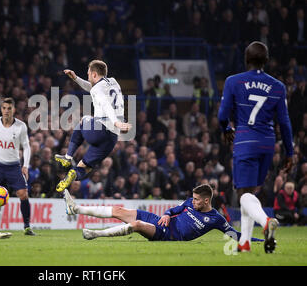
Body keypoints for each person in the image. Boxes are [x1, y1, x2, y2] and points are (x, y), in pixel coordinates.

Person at [218, 41, 294, 253]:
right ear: (266, 60)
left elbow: (222, 115)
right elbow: (285, 123)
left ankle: (266, 221)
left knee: (243, 193)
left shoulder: (234, 81)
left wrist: (226, 128)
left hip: (245, 140)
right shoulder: (278, 86)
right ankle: (245, 243)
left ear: (246, 59)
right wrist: (290, 152)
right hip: (267, 144)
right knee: (250, 192)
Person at [63, 184, 263, 243]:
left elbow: (236, 236)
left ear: (206, 201)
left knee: (136, 226)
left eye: (195, 200)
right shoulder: (189, 203)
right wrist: (167, 214)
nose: (192, 202)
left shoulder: (216, 219)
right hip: (160, 221)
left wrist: (261, 241)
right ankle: (76, 208)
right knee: (118, 210)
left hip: (169, 235)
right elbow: (173, 210)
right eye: (192, 199)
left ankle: (95, 234)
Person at [54, 60, 132, 193]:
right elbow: (94, 88)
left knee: (84, 120)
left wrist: (115, 121)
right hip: (112, 137)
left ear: (94, 74)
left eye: (89, 74)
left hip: (100, 129)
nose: (88, 76)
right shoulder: (113, 82)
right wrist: (76, 78)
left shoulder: (97, 89)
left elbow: (105, 104)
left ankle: (67, 157)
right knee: (85, 166)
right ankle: (72, 175)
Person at [0, 97, 34, 235]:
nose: (6, 111)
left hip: (13, 166)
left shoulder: (21, 126)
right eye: (4, 108)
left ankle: (27, 227)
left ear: (14, 109)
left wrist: (25, 166)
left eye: (9, 108)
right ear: (1, 109)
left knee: (23, 194)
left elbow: (26, 147)